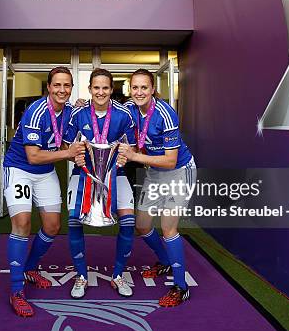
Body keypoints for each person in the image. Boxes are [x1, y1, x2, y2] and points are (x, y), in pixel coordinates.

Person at [3, 67, 85, 317]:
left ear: (71, 88)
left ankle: (29, 268)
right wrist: (69, 154)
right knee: (23, 223)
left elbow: (87, 119)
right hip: (20, 169)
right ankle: (16, 290)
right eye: (57, 85)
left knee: (51, 226)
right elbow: (33, 155)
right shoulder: (36, 111)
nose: (62, 90)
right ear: (48, 87)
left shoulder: (70, 111)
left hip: (45, 171)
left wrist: (84, 106)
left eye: (67, 86)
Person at [119, 68, 196, 307]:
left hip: (178, 172)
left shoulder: (165, 114)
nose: (139, 92)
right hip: (154, 171)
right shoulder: (130, 109)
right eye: (135, 87)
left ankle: (181, 287)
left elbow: (170, 160)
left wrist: (133, 157)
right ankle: (163, 261)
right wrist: (82, 104)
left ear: (153, 89)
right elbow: (103, 108)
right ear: (130, 90)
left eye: (144, 87)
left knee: (168, 228)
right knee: (142, 225)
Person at [62, 68, 137, 299]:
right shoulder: (79, 113)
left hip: (116, 174)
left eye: (105, 88)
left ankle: (117, 275)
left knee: (128, 221)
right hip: (83, 174)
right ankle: (82, 276)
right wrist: (75, 154)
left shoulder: (124, 114)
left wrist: (126, 155)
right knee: (74, 219)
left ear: (111, 89)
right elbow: (66, 145)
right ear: (90, 89)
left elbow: (132, 147)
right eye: (96, 87)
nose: (101, 92)